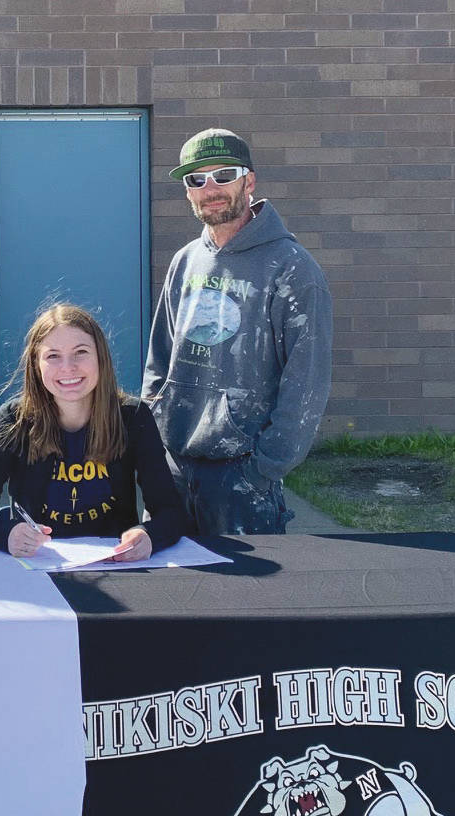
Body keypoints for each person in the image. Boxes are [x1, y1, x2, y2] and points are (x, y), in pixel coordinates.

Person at [142, 127, 333, 536]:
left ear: (249, 181)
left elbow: (307, 381)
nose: (210, 188)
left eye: (224, 175)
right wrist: (153, 442)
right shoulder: (185, 261)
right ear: (188, 192)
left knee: (246, 597)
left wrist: (265, 468)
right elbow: (159, 358)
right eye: (197, 179)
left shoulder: (293, 269)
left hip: (242, 477)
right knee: (167, 592)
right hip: (173, 467)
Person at [0, 304, 188, 560]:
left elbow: (171, 511)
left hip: (114, 563)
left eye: (80, 352)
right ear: (36, 365)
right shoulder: (13, 420)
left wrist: (149, 536)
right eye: (53, 356)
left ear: (100, 357)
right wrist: (6, 533)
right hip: (39, 566)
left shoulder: (133, 417)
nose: (68, 367)